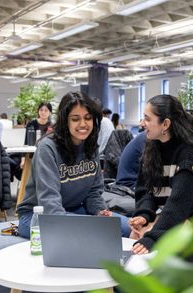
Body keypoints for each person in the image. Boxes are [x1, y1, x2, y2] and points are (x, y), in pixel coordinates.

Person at [16, 91, 130, 238]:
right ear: (65, 121)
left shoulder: (90, 146)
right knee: (94, 233)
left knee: (127, 227)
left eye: (88, 118)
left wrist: (100, 212)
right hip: (38, 216)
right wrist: (93, 225)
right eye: (75, 119)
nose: (83, 124)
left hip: (76, 210)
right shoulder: (47, 148)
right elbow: (49, 202)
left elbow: (94, 193)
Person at [129, 94, 193, 255]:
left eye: (147, 119)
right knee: (136, 235)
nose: (142, 124)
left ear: (165, 124)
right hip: (180, 213)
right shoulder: (152, 148)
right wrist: (144, 214)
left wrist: (153, 237)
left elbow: (179, 203)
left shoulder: (189, 154)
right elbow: (146, 190)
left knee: (161, 246)